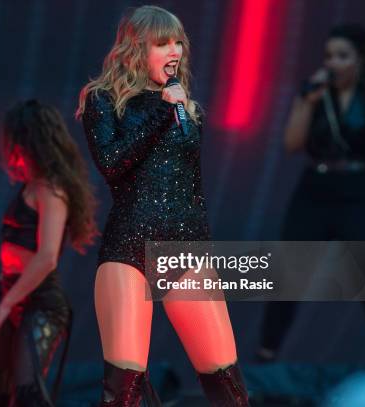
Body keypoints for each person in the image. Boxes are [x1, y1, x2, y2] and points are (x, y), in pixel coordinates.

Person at [77, 5, 249, 406]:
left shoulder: (185, 108)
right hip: (130, 246)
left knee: (227, 383)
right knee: (124, 389)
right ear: (136, 49)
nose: (174, 51)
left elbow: (191, 187)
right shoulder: (104, 100)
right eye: (162, 43)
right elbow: (112, 164)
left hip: (185, 248)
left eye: (178, 43)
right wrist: (161, 110)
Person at [258, 24, 365, 362]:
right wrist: (307, 102)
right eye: (329, 55)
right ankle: (264, 361)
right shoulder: (313, 93)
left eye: (342, 56)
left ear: (360, 60)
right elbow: (291, 144)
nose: (333, 63)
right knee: (290, 275)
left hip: (357, 190)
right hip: (315, 189)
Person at [0, 100, 98, 406]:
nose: (11, 152)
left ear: (29, 140)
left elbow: (47, 257)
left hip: (40, 301)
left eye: (14, 142)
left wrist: (4, 309)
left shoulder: (52, 190)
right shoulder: (29, 187)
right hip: (7, 290)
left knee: (26, 391)